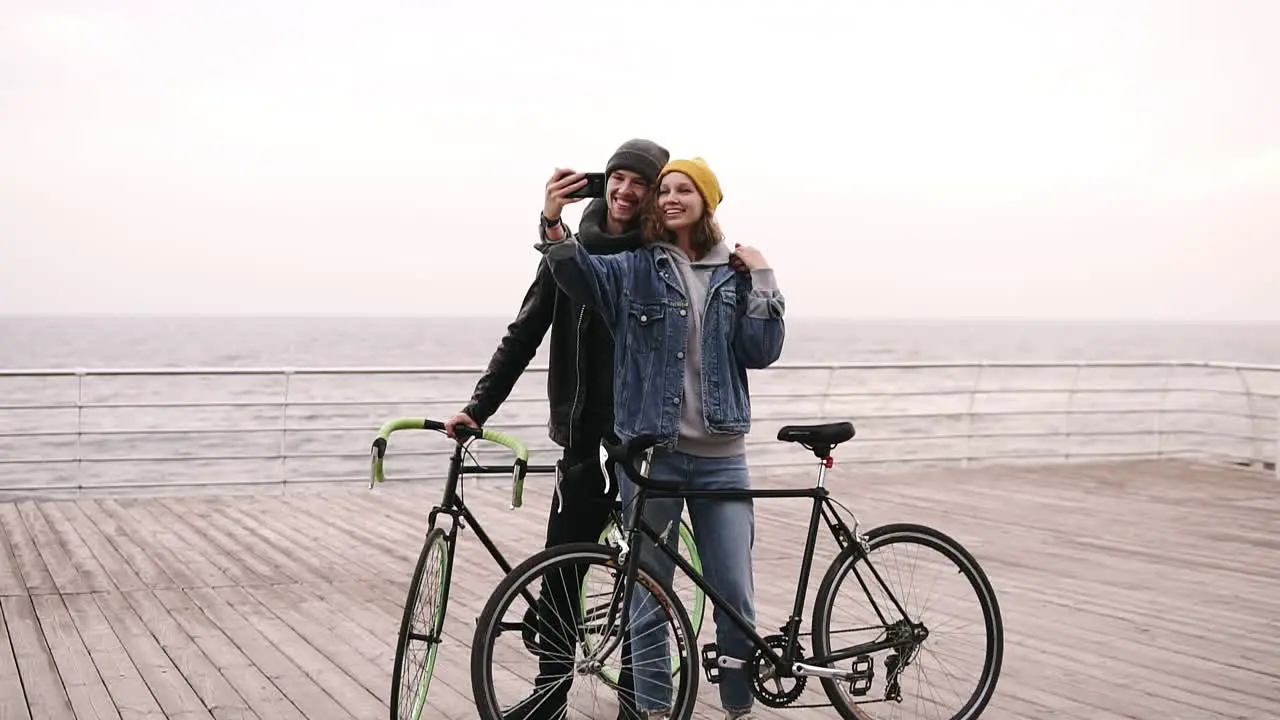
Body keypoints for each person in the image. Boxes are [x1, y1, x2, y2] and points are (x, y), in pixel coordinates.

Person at [536, 157, 785, 720]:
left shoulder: (737, 272)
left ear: (708, 200)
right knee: (649, 601)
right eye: (665, 190)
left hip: (723, 460)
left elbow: (762, 352)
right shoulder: (635, 268)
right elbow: (575, 274)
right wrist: (553, 222)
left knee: (734, 599)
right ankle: (652, 713)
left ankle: (737, 708)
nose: (671, 197)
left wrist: (764, 277)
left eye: (684, 189)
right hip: (652, 461)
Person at [447, 138, 670, 720]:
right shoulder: (568, 251)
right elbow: (524, 332)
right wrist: (479, 407)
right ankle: (551, 696)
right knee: (563, 571)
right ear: (602, 184)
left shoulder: (660, 256)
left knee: (641, 577)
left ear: (652, 193)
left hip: (641, 438)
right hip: (581, 435)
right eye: (616, 178)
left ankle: (634, 699)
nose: (624, 191)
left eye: (639, 183)